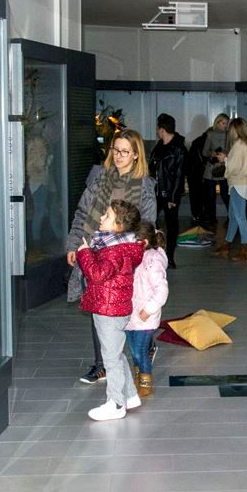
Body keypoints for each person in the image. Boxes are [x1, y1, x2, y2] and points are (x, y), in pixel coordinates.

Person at [67, 128, 156, 384]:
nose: (118, 156)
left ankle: (145, 345)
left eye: (125, 152)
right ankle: (102, 365)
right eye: (115, 150)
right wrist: (75, 244)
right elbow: (82, 213)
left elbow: (147, 224)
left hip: (125, 257)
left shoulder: (144, 186)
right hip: (95, 251)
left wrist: (137, 251)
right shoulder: (99, 178)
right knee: (99, 306)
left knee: (130, 307)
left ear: (136, 155)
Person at [77, 200, 146, 421]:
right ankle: (131, 396)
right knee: (116, 353)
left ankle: (116, 403)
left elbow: (97, 274)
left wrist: (85, 253)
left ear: (119, 226)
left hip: (108, 308)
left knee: (111, 359)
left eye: (106, 216)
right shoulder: (121, 246)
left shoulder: (114, 251)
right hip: (115, 307)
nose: (100, 218)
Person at [125, 221, 169, 399]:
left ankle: (145, 383)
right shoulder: (133, 257)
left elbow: (162, 290)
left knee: (140, 351)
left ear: (143, 242)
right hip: (130, 313)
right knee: (133, 350)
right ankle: (138, 376)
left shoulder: (152, 262)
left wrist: (148, 310)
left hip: (145, 317)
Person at [211, 116, 247, 261]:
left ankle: (244, 248)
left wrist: (224, 159)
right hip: (242, 183)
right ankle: (227, 244)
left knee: (239, 216)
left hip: (238, 183)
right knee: (234, 215)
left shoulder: (239, 145)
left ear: (235, 130)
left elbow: (234, 166)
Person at [149, 113, 187, 269]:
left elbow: (179, 175)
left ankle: (169, 256)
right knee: (151, 220)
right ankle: (156, 250)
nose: (157, 131)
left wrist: (173, 197)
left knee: (172, 224)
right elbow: (152, 167)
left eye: (158, 128)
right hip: (156, 191)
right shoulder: (159, 146)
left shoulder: (179, 149)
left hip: (169, 193)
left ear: (162, 129)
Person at [201, 113, 231, 230]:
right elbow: (204, 152)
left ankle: (231, 217)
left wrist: (225, 154)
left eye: (227, 123)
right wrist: (212, 153)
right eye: (223, 123)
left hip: (223, 167)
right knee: (211, 196)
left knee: (225, 194)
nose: (225, 126)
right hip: (211, 168)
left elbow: (232, 151)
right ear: (217, 122)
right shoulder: (210, 134)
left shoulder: (229, 135)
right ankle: (212, 218)